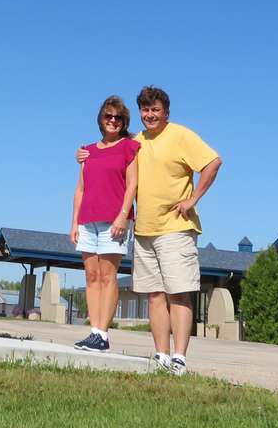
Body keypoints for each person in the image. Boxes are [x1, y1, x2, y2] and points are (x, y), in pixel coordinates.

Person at [77, 86, 222, 375]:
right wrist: (84, 153)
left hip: (176, 229)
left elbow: (213, 162)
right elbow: (111, 144)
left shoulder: (180, 135)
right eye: (145, 109)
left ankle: (179, 358)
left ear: (166, 112)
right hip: (144, 230)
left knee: (178, 293)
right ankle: (161, 356)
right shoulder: (137, 141)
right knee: (155, 294)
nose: (150, 114)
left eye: (155, 109)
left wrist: (192, 200)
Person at [70, 96, 139, 352]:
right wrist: (74, 223)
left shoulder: (129, 147)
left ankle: (103, 333)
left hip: (115, 221)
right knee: (92, 276)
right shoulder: (88, 151)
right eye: (108, 116)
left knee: (108, 276)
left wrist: (123, 215)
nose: (113, 121)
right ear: (101, 119)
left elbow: (132, 184)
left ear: (124, 122)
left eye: (118, 117)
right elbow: (80, 189)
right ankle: (93, 331)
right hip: (88, 220)